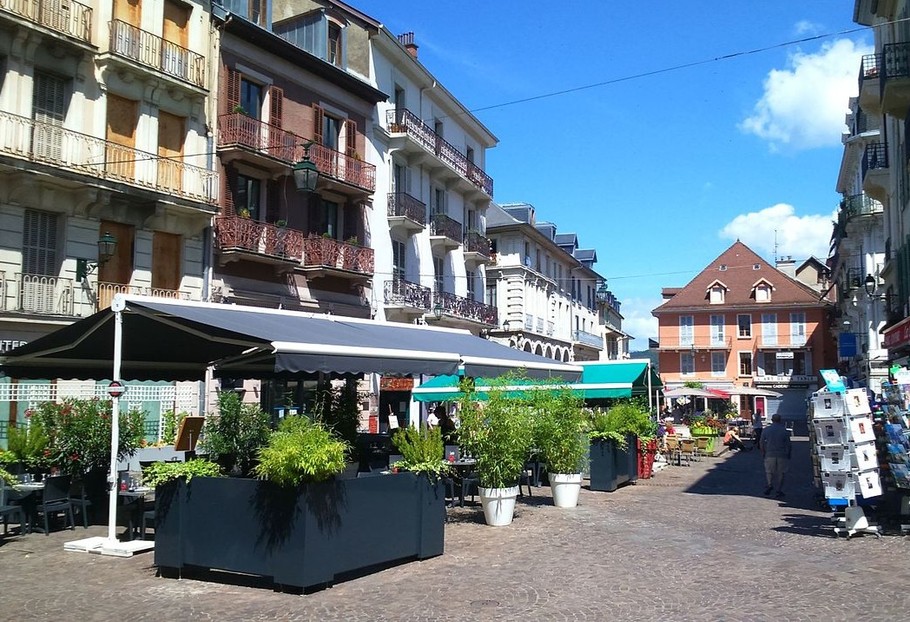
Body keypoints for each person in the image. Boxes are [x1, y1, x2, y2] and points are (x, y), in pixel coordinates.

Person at [760, 413, 792, 498]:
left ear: (772, 420)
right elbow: (788, 444)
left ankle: (770, 484)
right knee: (781, 473)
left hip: (769, 453)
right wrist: (788, 453)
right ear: (780, 420)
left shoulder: (766, 430)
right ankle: (779, 490)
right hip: (782, 454)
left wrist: (763, 452)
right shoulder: (784, 430)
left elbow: (762, 442)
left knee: (769, 471)